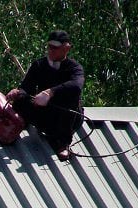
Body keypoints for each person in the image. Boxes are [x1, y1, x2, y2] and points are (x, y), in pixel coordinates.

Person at [6, 30, 84, 161]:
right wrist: (17, 92)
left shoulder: (74, 68)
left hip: (65, 118)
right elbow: (26, 89)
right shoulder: (39, 65)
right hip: (45, 115)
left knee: (71, 100)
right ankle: (12, 128)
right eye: (49, 47)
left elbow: (76, 86)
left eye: (56, 47)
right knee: (21, 101)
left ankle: (62, 144)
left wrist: (50, 92)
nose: (51, 50)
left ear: (66, 48)